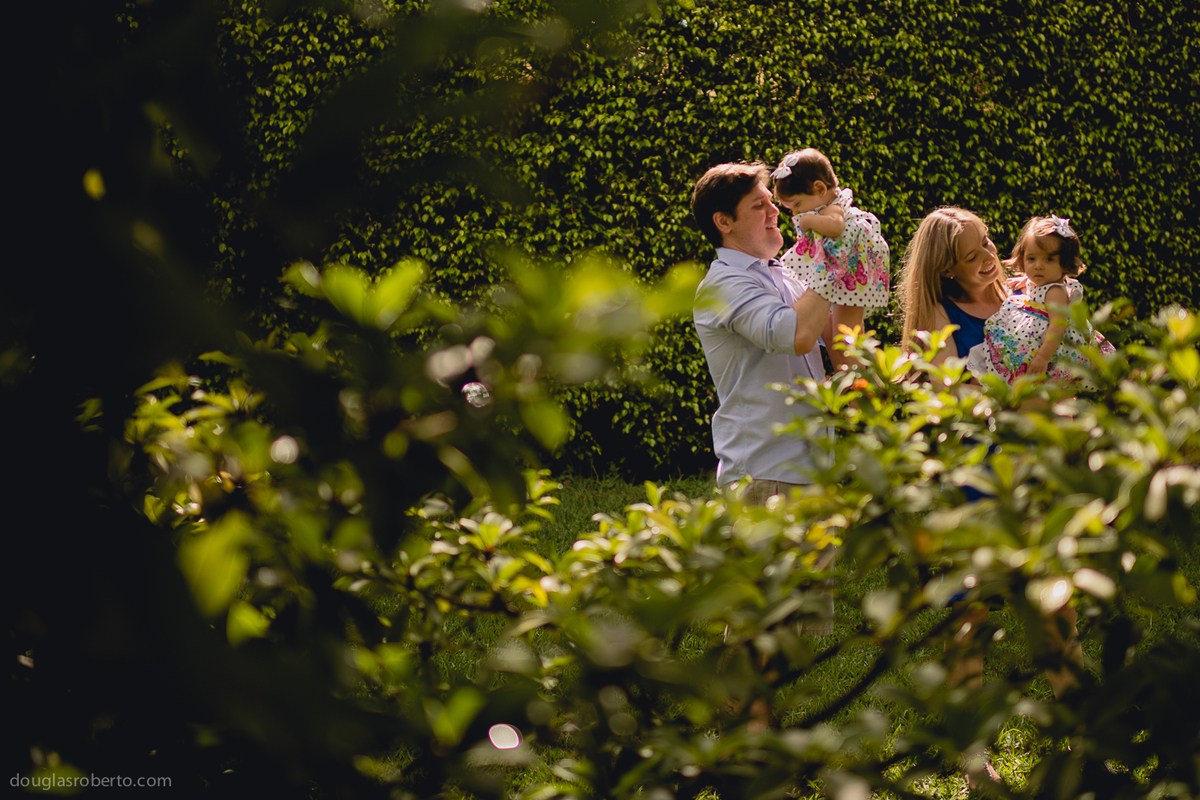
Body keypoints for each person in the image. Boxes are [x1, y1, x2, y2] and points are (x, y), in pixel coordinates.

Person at [899, 207, 1085, 785]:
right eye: (972, 255)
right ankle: (971, 754)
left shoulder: (1022, 297)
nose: (989, 260)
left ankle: (1080, 726)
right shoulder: (937, 318)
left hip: (1031, 468)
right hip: (973, 482)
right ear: (945, 268)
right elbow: (951, 408)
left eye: (988, 245)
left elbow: (1066, 348)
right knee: (971, 617)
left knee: (1056, 600)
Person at [691, 161, 836, 636]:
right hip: (765, 472)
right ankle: (739, 713)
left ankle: (769, 714)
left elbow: (833, 341)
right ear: (724, 222)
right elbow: (791, 334)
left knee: (796, 640)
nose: (776, 210)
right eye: (760, 205)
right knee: (760, 634)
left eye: (774, 202)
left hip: (809, 468)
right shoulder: (724, 285)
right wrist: (837, 260)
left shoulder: (788, 274)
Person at [771, 148, 891, 370]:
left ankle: (861, 383)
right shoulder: (824, 206)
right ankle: (850, 375)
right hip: (850, 272)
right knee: (838, 331)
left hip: (854, 274)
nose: (796, 214)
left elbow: (836, 227)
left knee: (846, 331)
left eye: (796, 204)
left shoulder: (833, 207)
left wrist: (808, 222)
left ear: (819, 188)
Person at [966, 215, 1115, 384]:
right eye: (1031, 259)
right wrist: (1026, 280)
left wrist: (1043, 357)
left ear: (1065, 264)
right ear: (1023, 259)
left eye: (1049, 259)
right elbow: (1038, 283)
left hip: (1046, 346)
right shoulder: (1046, 281)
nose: (1038, 265)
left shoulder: (1055, 292)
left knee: (1009, 363)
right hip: (1035, 337)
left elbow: (1058, 325)